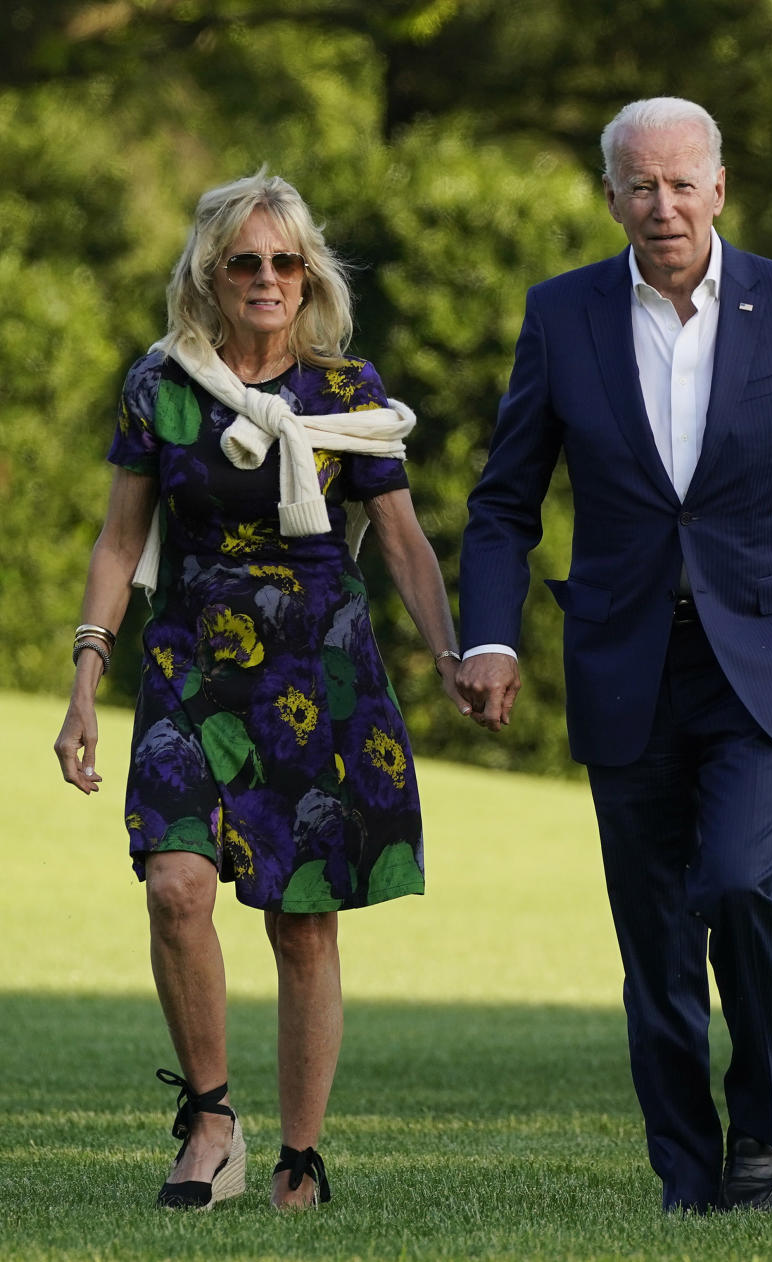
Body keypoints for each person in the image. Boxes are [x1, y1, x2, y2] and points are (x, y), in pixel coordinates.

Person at [456, 98, 772, 1214]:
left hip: (765, 657)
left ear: (720, 188)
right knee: (653, 931)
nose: (664, 205)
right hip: (623, 656)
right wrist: (492, 633)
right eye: (640, 186)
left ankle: (760, 1123)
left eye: (683, 182)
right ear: (612, 197)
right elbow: (506, 502)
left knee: (741, 884)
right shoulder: (562, 316)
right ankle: (689, 1174)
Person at [54, 173, 466, 1211]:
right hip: (190, 658)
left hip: (315, 668)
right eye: (247, 261)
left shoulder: (347, 392)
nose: (269, 278)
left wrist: (457, 655)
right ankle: (210, 1117)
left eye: (286, 261)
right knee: (175, 886)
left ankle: (301, 1155)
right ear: (211, 273)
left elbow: (407, 544)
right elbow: (119, 538)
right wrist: (84, 676)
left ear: (309, 272)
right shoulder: (163, 386)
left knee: (302, 921)